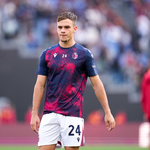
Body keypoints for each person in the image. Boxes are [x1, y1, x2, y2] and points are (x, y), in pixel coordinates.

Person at [30, 12, 115, 150]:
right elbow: (39, 86)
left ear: (74, 29)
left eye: (67, 27)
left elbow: (97, 84)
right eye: (60, 27)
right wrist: (34, 114)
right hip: (50, 114)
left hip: (72, 115)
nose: (63, 30)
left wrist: (108, 111)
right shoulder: (47, 54)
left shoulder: (84, 54)